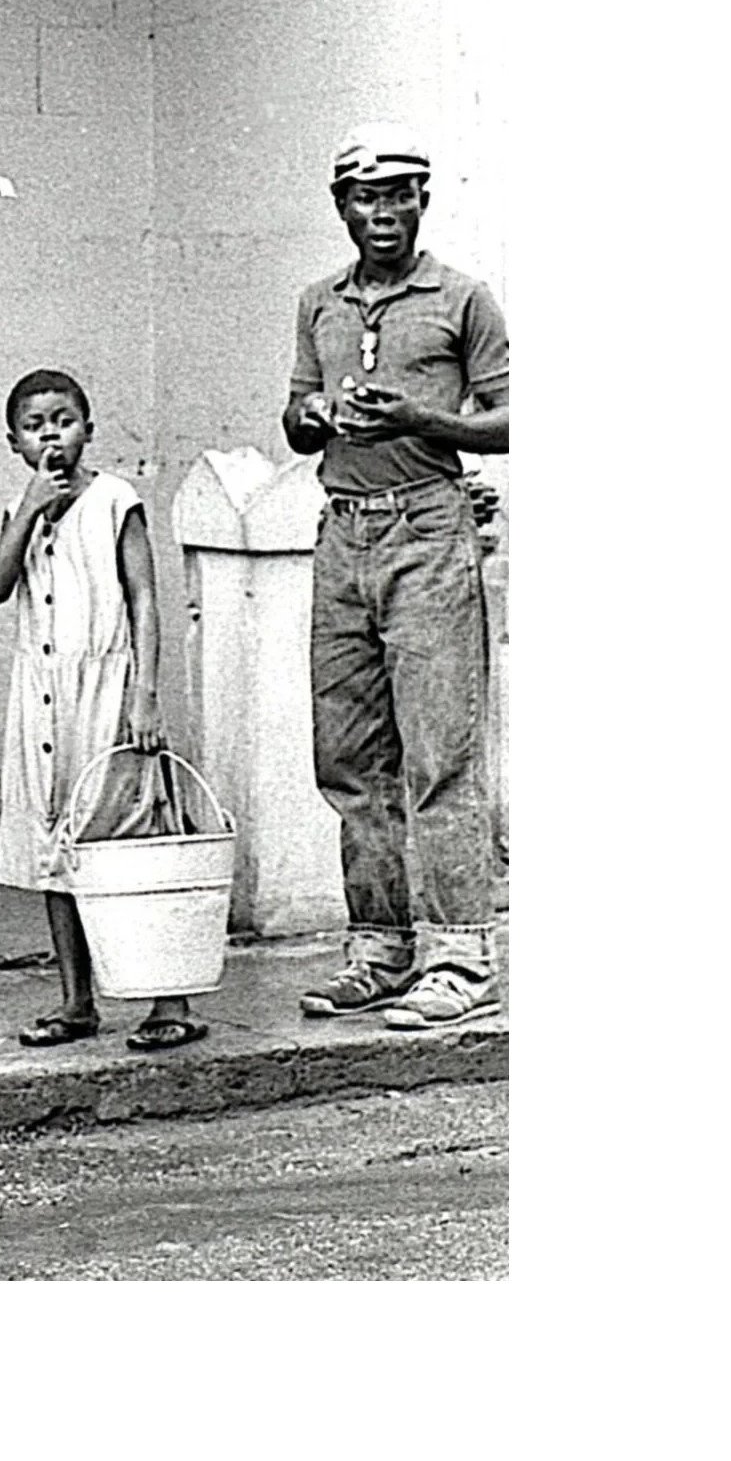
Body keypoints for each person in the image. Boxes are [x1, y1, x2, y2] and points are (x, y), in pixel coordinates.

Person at [282, 123, 509, 1030]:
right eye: (365, 198)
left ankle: (459, 953)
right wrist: (312, 415)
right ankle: (378, 948)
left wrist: (422, 417)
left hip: (428, 527)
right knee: (348, 755)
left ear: (422, 201)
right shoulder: (319, 303)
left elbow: (514, 418)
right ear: (342, 208)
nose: (384, 213)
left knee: (441, 753)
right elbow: (297, 421)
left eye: (400, 195)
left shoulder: (462, 298)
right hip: (343, 533)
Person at [0, 368, 204, 1054]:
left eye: (63, 419)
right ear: (16, 442)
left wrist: (145, 694)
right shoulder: (20, 506)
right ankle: (76, 1000)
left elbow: (144, 599)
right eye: (34, 425)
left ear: (88, 427)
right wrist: (25, 511)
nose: (51, 434)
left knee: (128, 843)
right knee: (56, 847)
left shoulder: (115, 500)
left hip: (107, 692)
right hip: (42, 698)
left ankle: (172, 998)